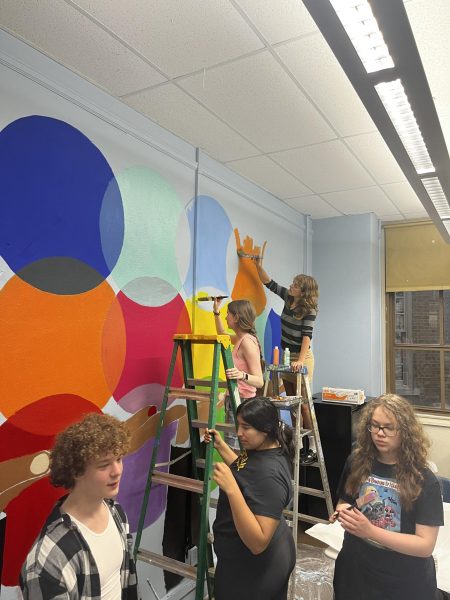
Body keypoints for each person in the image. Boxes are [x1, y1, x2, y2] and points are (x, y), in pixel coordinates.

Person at [331, 394, 444, 600]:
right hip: (357, 570)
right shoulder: (356, 461)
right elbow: (347, 500)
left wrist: (370, 531)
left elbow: (424, 546)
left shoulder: (423, 479)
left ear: (405, 431)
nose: (379, 434)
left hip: (402, 581)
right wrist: (343, 512)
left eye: (388, 428)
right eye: (374, 426)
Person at [20, 412, 138, 600]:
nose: (117, 471)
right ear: (76, 471)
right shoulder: (49, 559)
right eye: (104, 465)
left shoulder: (117, 514)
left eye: (119, 459)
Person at [204, 397, 296, 600]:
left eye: (246, 427)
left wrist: (231, 489)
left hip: (256, 570)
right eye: (239, 425)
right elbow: (246, 472)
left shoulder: (270, 475)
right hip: (244, 563)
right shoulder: (261, 450)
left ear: (265, 429)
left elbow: (258, 542)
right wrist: (221, 447)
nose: (239, 433)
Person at [254, 257, 318, 463]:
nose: (291, 286)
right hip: (287, 355)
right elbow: (269, 283)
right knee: (292, 404)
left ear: (304, 291)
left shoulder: (309, 311)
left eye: (295, 285)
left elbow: (307, 336)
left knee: (304, 404)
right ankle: (297, 445)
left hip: (302, 357)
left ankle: (313, 448)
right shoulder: (288, 299)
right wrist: (257, 265)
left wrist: (300, 361)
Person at [213, 298, 264, 447]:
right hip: (235, 398)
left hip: (242, 401)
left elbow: (259, 381)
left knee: (233, 447)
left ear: (236, 317)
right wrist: (216, 312)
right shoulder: (241, 339)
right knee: (232, 445)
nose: (225, 316)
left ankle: (235, 471)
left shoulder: (247, 342)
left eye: (227, 313)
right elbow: (222, 334)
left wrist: (242, 375)